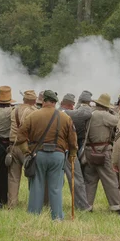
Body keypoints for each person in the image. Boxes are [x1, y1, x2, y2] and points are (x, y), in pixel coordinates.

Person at [17, 90, 77, 220]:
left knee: (36, 185)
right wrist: (72, 154)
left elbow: (20, 136)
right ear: (55, 102)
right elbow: (73, 140)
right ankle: (57, 217)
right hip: (58, 155)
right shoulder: (65, 117)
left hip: (38, 155)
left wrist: (27, 152)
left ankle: (34, 216)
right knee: (56, 188)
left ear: (43, 101)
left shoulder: (33, 116)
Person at [83, 93, 120, 213]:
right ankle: (117, 207)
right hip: (102, 152)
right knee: (110, 180)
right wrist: (118, 112)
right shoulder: (104, 115)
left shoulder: (90, 113)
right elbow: (119, 122)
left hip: (89, 151)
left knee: (90, 180)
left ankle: (87, 206)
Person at [59, 93, 91, 211]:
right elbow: (85, 113)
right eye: (72, 105)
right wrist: (85, 106)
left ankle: (48, 203)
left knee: (54, 180)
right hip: (67, 151)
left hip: (55, 151)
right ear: (70, 104)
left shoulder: (57, 112)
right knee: (76, 179)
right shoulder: (65, 112)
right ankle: (82, 206)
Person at [7, 90, 38, 208]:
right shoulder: (34, 112)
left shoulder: (14, 110)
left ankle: (11, 204)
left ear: (24, 100)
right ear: (34, 101)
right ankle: (33, 203)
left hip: (13, 145)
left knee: (13, 177)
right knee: (32, 175)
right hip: (27, 146)